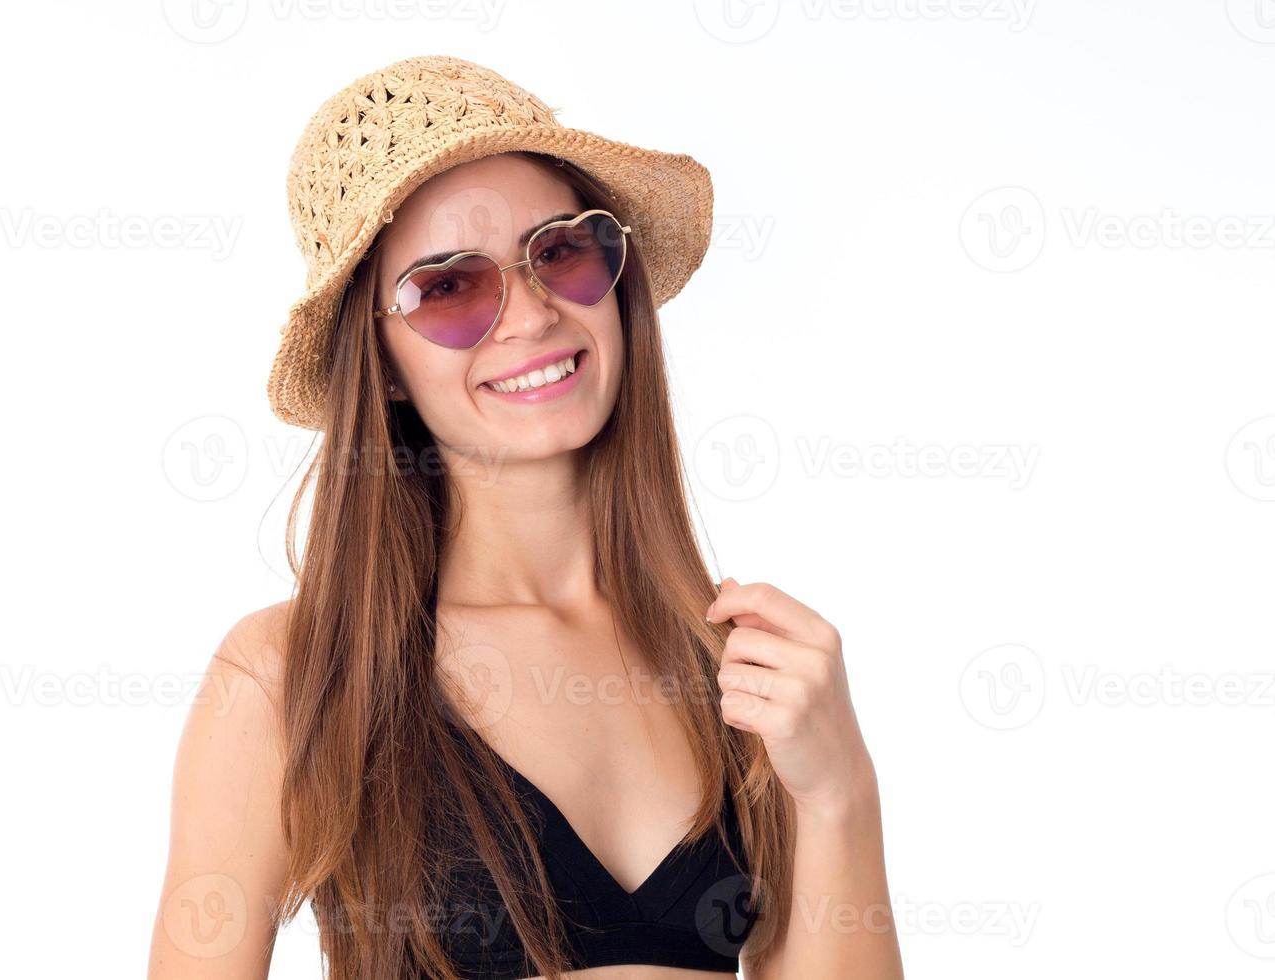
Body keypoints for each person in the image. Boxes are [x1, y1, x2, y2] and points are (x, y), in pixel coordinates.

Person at [148, 55, 904, 980]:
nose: (530, 316)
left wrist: (838, 792)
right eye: (449, 288)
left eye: (559, 252)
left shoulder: (738, 658)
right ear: (379, 362)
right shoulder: (292, 677)